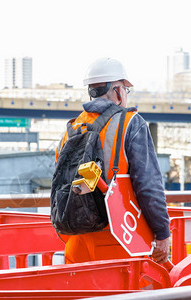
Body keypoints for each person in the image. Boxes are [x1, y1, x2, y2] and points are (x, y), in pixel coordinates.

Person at [55, 57, 170, 264]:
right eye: (126, 90)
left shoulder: (73, 128)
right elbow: (148, 185)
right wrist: (162, 232)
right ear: (117, 90)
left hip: (76, 243)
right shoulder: (130, 123)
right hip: (121, 241)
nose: (126, 95)